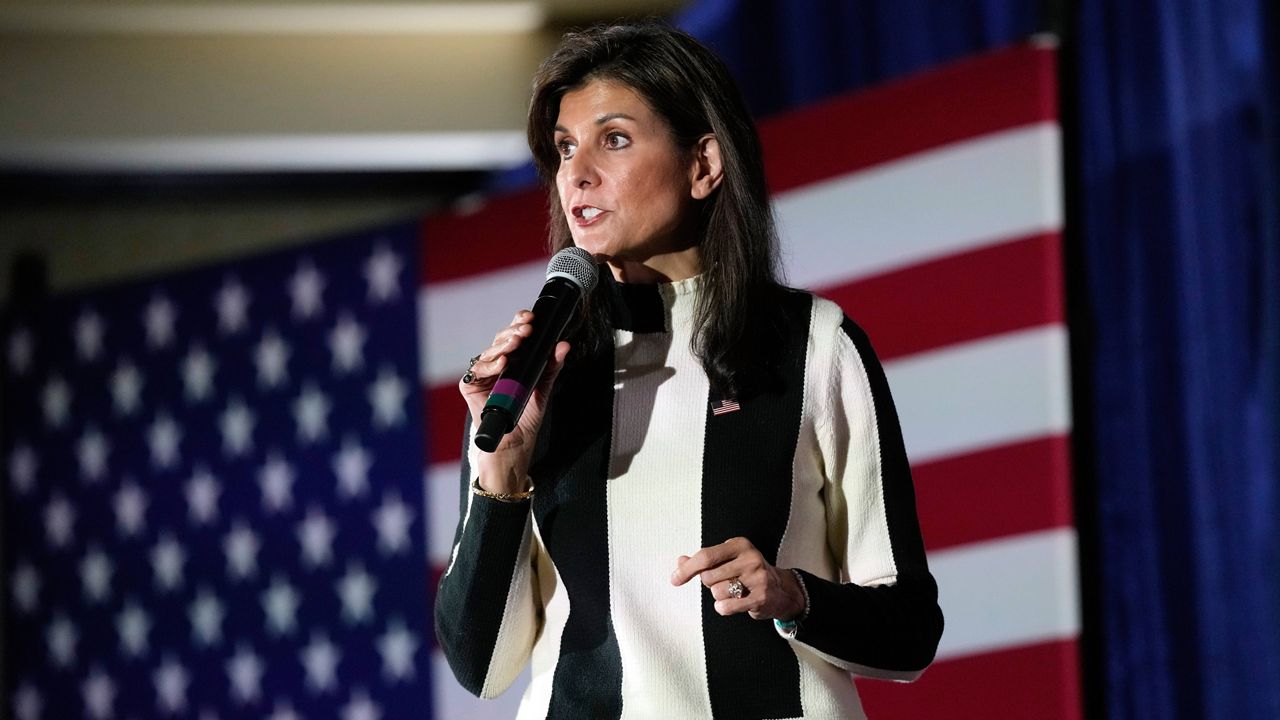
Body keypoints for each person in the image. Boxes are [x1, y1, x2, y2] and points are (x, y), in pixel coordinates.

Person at [435, 20, 944, 719]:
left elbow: (910, 630)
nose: (575, 175)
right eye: (563, 148)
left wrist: (794, 596)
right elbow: (480, 667)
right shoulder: (526, 381)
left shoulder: (813, 345)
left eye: (613, 139)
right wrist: (502, 473)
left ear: (703, 164)